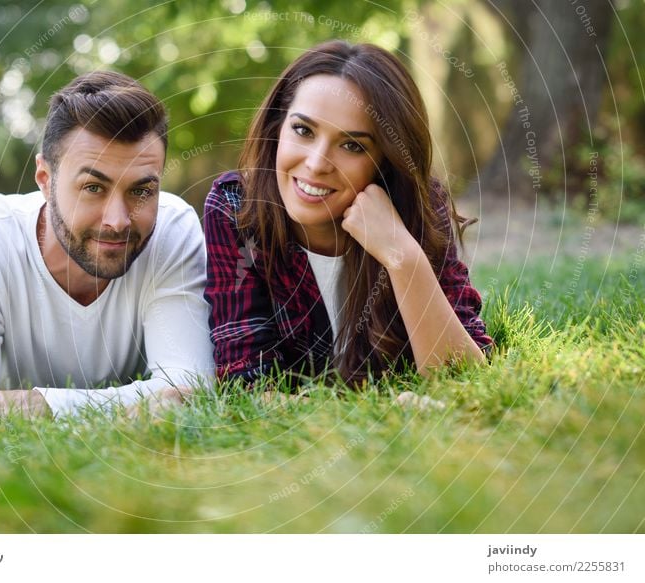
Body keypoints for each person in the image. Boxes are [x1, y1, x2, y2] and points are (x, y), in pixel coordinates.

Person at [0, 71, 214, 420]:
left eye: (141, 191)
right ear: (44, 178)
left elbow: (190, 387)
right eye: (92, 188)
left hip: (18, 394)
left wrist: (35, 406)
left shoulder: (173, 229)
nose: (117, 221)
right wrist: (141, 400)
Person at [203, 40, 492, 388]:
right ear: (276, 128)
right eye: (303, 130)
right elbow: (246, 379)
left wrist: (403, 257)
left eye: (352, 145)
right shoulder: (236, 208)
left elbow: (464, 376)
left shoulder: (420, 207)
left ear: (384, 160)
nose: (315, 164)